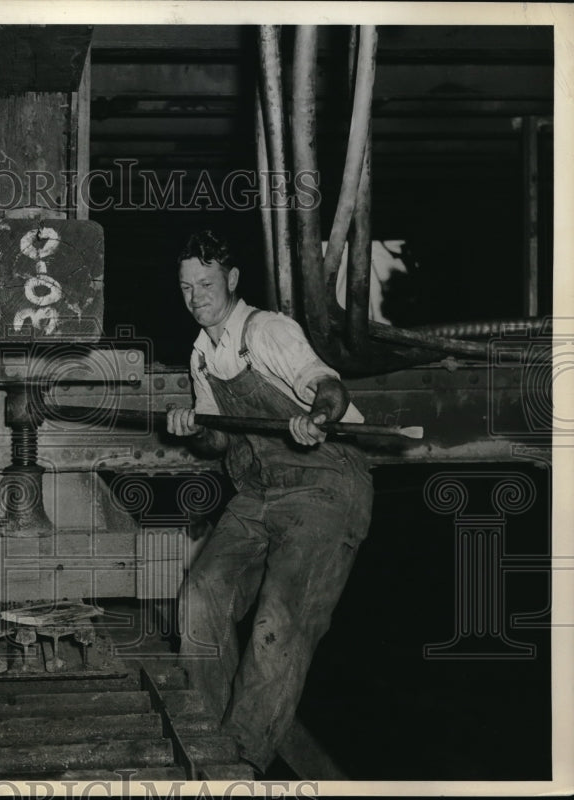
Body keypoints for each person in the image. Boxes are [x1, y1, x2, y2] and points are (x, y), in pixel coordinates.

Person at [166, 230, 373, 774]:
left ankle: (240, 761)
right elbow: (220, 440)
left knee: (276, 626)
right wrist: (193, 427)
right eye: (186, 287)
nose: (196, 298)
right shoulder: (203, 356)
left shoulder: (269, 331)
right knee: (199, 598)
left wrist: (319, 419)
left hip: (324, 488)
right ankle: (207, 740)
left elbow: (328, 386)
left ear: (232, 281)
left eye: (206, 284)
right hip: (259, 494)